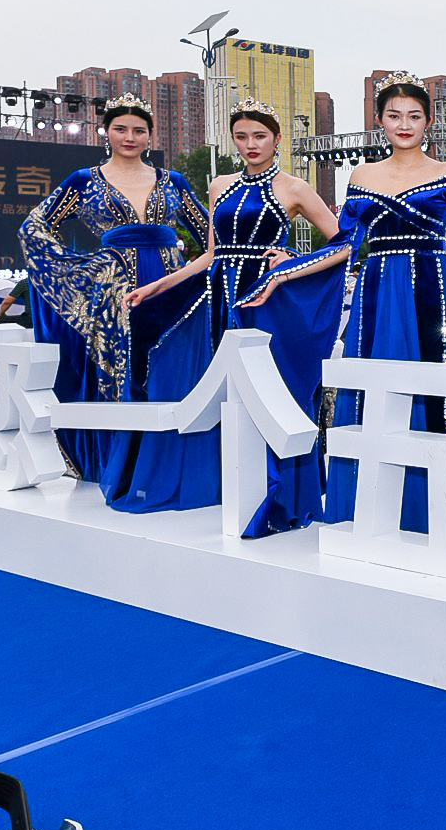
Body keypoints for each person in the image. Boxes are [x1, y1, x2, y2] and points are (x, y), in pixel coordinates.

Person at [247, 75, 446, 536]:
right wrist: (286, 270)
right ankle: (371, 518)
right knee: (374, 399)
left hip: (432, 293)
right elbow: (344, 244)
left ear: (429, 121)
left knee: (433, 393)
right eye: (394, 115)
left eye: (414, 116)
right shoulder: (361, 176)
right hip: (376, 293)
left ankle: (441, 522)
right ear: (379, 121)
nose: (404, 124)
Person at [128, 100, 343, 530]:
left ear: (277, 139)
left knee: (268, 392)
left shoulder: (295, 188)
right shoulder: (220, 185)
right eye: (241, 137)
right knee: (219, 392)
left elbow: (343, 241)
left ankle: (276, 494)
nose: (250, 145)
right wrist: (159, 285)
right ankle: (226, 486)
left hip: (265, 302)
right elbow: (211, 254)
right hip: (218, 299)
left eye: (259, 136)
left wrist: (293, 264)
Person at [17, 97, 210, 490]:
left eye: (139, 130)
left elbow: (215, 235)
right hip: (112, 292)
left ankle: (167, 463)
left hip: (170, 288)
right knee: (123, 369)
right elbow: (33, 229)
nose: (130, 137)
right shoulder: (83, 180)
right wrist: (86, 271)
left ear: (151, 136)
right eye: (121, 129)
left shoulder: (173, 182)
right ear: (106, 132)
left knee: (168, 366)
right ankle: (122, 463)